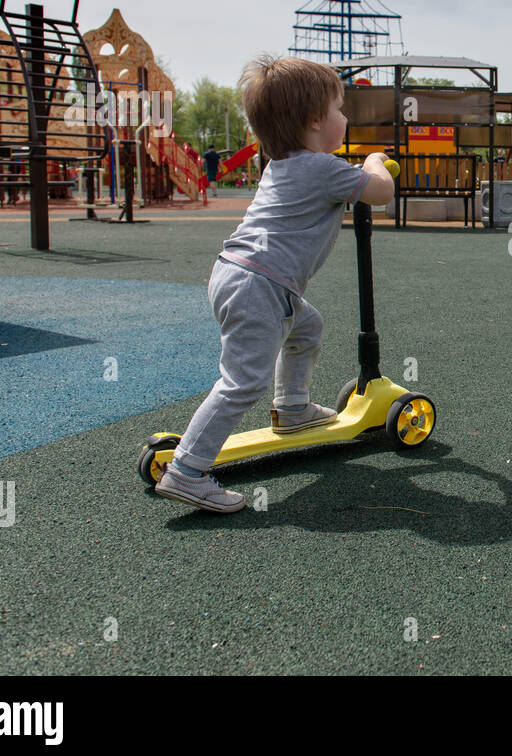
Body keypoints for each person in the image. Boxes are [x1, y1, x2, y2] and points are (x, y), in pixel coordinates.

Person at [154, 56, 395, 513]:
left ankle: (292, 409)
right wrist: (374, 161)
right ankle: (187, 470)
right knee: (243, 382)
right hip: (259, 285)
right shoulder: (322, 168)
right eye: (340, 109)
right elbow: (380, 192)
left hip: (245, 276)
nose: (345, 118)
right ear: (314, 121)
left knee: (306, 326)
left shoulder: (280, 165)